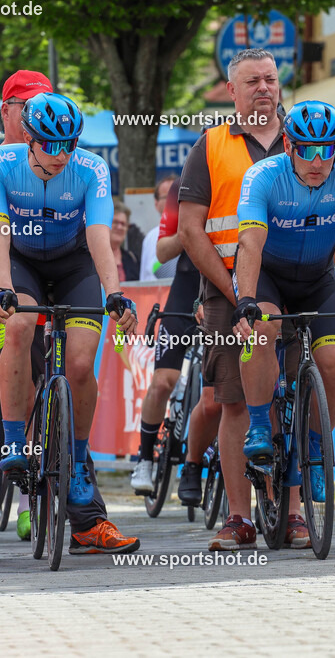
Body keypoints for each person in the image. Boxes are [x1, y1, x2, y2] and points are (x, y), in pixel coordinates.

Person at [0, 76, 136, 562]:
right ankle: (9, 459)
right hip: (18, 268)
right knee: (13, 337)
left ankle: (78, 474)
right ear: (23, 130)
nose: (61, 155)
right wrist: (4, 289)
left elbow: (98, 236)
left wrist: (116, 294)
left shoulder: (90, 168)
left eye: (69, 145)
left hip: (73, 266)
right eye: (50, 145)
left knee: (80, 363)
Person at [232, 100, 335, 548]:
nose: (318, 162)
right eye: (307, 151)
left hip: (317, 279)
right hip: (268, 276)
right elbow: (250, 243)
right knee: (263, 329)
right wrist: (245, 301)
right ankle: (260, 425)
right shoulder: (262, 176)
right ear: (288, 145)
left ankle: (314, 446)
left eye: (327, 150)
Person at [178, 47, 288, 551]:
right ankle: (239, 517)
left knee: (293, 395)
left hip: (292, 284)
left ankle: (294, 512)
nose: (264, 88)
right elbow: (190, 230)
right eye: (252, 81)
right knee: (235, 401)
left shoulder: (304, 134)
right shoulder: (211, 145)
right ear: (231, 91)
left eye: (270, 79)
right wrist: (236, 291)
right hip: (227, 290)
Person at [130, 178, 222, 503]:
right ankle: (144, 460)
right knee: (164, 380)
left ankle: (202, 459)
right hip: (186, 285)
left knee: (219, 391)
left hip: (223, 285)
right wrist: (189, 231)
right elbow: (162, 251)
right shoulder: (182, 187)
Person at [138, 174, 179, 280]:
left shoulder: (198, 229)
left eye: (178, 195)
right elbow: (146, 276)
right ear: (156, 204)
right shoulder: (151, 238)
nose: (175, 200)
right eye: (168, 197)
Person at [111, 201, 140, 282]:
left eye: (123, 224)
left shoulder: (132, 259)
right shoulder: (92, 257)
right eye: (115, 222)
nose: (119, 227)